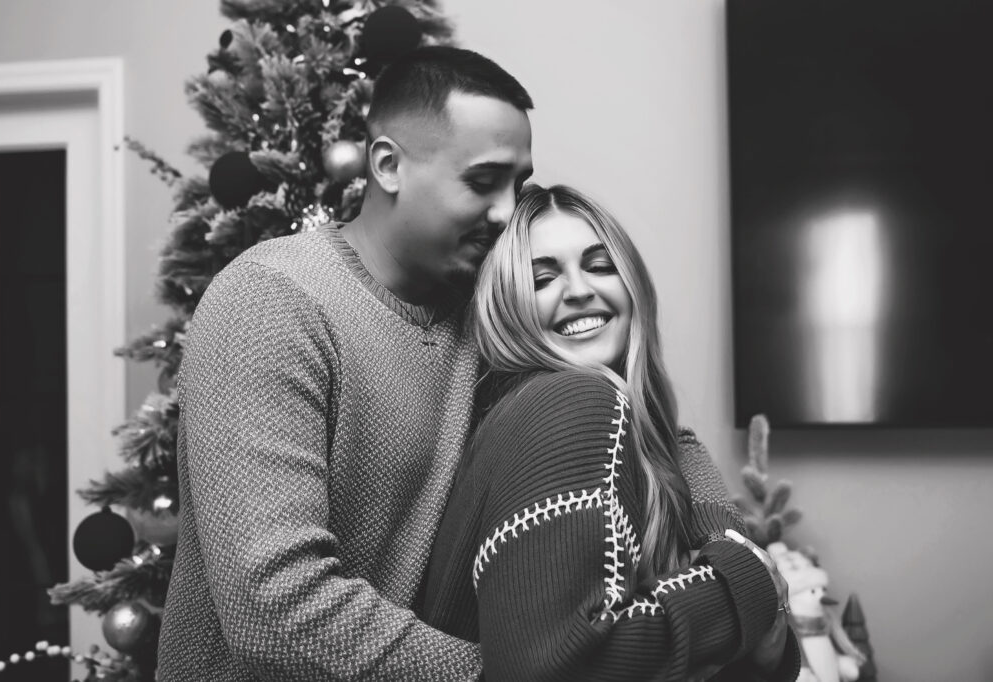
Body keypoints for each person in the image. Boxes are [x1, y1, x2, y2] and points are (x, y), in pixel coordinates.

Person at [156, 46, 533, 680]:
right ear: (388, 165)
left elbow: (616, 403)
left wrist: (732, 540)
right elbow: (271, 606)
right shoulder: (271, 300)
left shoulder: (489, 305)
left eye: (519, 185)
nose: (507, 212)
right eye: (483, 181)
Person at [422, 184, 800, 681]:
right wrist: (745, 590)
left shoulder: (642, 439)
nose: (579, 290)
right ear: (506, 306)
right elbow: (559, 668)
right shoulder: (567, 404)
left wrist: (731, 560)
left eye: (600, 266)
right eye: (542, 278)